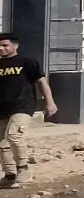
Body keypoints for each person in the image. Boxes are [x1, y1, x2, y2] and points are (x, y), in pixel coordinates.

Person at [0, 33, 54, 187]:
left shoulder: (27, 62)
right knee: (2, 143)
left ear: (15, 46)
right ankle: (9, 175)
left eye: (5, 45)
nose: (1, 49)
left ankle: (23, 168)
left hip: (22, 105)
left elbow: (42, 83)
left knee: (14, 136)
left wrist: (50, 102)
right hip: (2, 107)